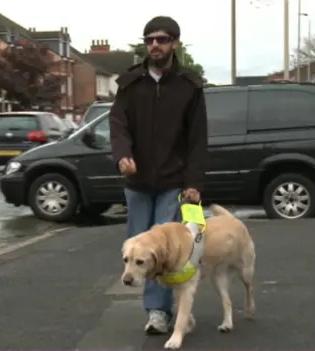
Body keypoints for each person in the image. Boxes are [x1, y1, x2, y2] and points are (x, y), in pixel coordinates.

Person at [109, 16, 208, 334]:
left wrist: (193, 182)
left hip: (172, 181)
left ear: (174, 43)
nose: (154, 44)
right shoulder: (129, 84)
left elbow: (197, 138)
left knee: (166, 250)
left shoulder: (189, 87)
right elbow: (118, 124)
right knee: (139, 249)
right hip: (137, 182)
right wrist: (123, 155)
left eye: (162, 39)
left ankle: (160, 312)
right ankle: (159, 309)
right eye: (149, 39)